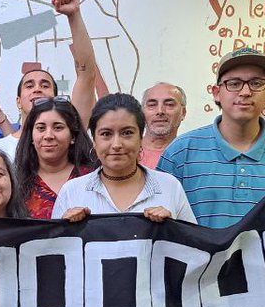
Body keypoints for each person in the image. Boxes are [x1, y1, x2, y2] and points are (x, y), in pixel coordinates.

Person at [157, 47, 265, 228]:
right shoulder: (179, 153)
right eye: (234, 83)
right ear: (216, 93)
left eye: (256, 83)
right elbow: (158, 220)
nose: (245, 92)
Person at [53, 93, 195, 223]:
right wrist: (66, 230)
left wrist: (173, 230)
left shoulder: (169, 186)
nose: (116, 145)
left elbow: (192, 247)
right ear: (94, 141)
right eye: (106, 134)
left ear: (141, 137)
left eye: (127, 133)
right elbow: (55, 249)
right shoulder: (72, 192)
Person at [0, 0, 100, 159]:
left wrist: (74, 16)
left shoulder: (71, 134)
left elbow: (87, 74)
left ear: (55, 98)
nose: (37, 89)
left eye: (45, 85)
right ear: (18, 101)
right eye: (29, 85)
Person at [15, 97, 96, 220]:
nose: (48, 136)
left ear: (73, 136)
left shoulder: (93, 178)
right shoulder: (16, 184)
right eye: (41, 128)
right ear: (31, 136)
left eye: (58, 127)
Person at [139, 83, 187, 167]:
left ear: (183, 113)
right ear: (142, 112)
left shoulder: (192, 157)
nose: (160, 111)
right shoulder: (124, 152)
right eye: (152, 105)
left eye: (169, 104)